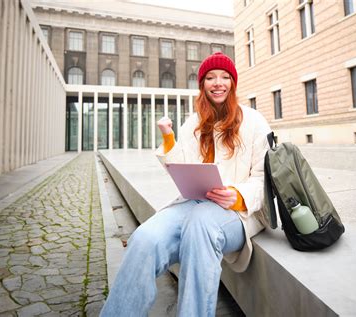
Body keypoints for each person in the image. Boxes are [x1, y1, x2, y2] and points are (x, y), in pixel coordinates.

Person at [100, 52, 271, 316]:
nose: (218, 83)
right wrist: (168, 138)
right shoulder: (194, 122)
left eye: (225, 77)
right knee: (144, 238)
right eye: (211, 78)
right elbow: (182, 166)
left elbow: (264, 179)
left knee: (201, 223)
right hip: (193, 203)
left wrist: (237, 195)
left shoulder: (254, 121)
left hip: (237, 211)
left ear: (233, 84)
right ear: (202, 84)